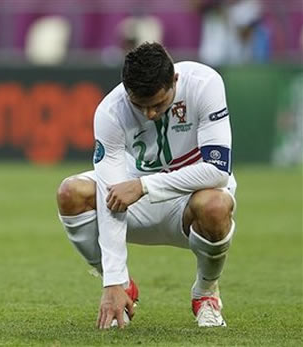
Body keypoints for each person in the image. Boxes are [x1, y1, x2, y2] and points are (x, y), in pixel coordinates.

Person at [56, 42, 236, 329]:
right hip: (137, 204)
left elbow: (218, 171)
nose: (150, 114)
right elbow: (111, 197)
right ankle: (124, 290)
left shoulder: (205, 83)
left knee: (216, 205)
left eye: (158, 104)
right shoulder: (110, 112)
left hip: (189, 201)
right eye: (140, 105)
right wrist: (112, 281)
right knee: (70, 193)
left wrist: (144, 185)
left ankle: (205, 294)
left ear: (174, 79)